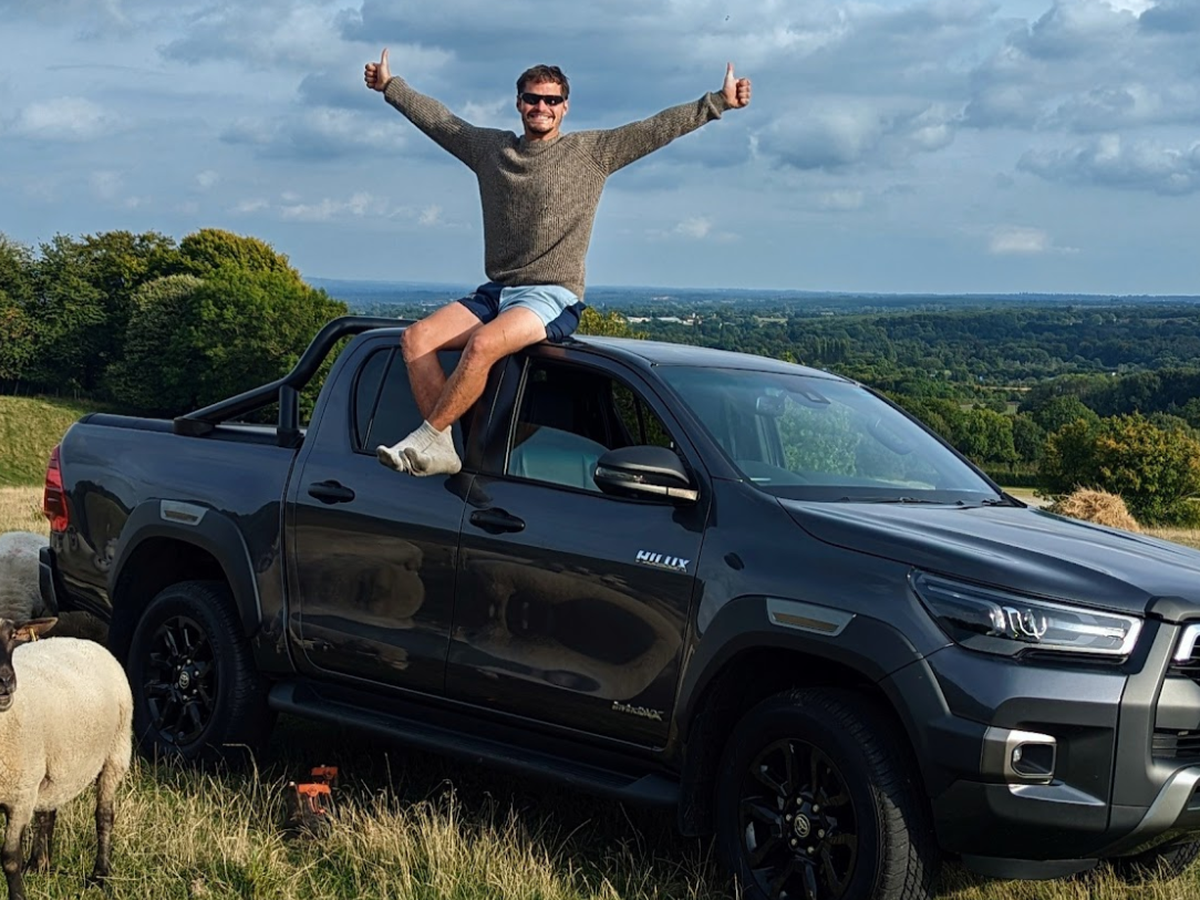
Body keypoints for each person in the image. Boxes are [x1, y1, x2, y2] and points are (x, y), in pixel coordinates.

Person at [363, 49, 752, 476]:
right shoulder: (491, 150)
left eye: (551, 100)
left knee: (483, 345)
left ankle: (431, 438)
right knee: (416, 339)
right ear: (519, 103)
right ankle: (449, 446)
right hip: (499, 291)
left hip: (551, 294)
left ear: (565, 106)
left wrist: (719, 102)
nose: (541, 107)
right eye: (533, 98)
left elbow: (655, 129)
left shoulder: (591, 153)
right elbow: (441, 122)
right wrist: (390, 86)